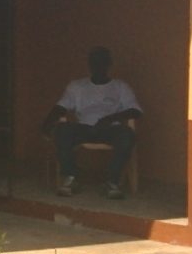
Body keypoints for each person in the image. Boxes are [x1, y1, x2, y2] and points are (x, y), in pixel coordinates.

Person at [41, 46, 143, 199]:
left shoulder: (120, 86)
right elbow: (61, 107)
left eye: (102, 62)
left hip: (110, 129)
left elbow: (135, 111)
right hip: (84, 128)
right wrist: (46, 125)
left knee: (128, 135)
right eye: (94, 63)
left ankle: (112, 182)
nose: (98, 66)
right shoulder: (77, 86)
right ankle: (71, 178)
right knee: (62, 130)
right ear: (89, 65)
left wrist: (110, 119)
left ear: (109, 64)